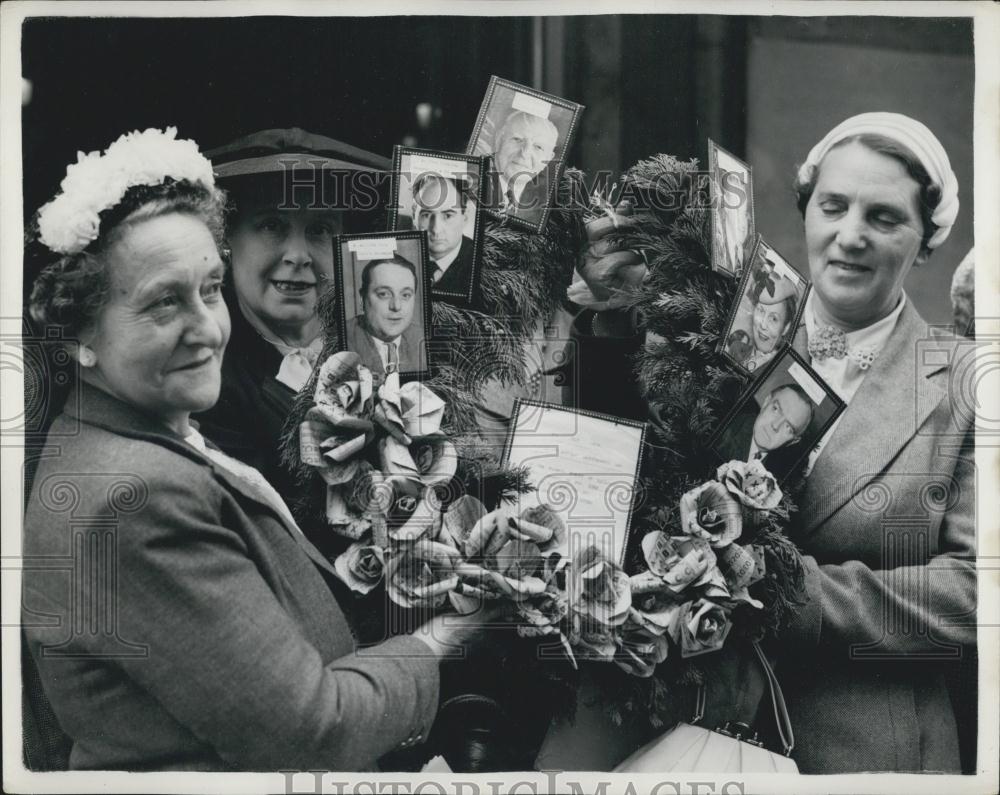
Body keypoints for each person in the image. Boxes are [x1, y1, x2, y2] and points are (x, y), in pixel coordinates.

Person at [22, 129, 493, 771]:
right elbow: (309, 732)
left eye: (210, 290)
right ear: (80, 332)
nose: (208, 329)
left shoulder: (151, 431)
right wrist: (446, 638)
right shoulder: (138, 498)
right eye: (164, 302)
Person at [573, 112, 974, 773]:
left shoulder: (961, 381)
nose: (850, 236)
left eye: (883, 218)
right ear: (808, 208)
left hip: (863, 749)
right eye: (834, 206)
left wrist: (799, 594)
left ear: (926, 239)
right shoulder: (731, 322)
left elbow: (974, 592)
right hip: (693, 733)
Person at [193, 127, 390, 506]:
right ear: (225, 240)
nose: (297, 254)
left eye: (319, 230)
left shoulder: (384, 342)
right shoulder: (211, 384)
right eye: (271, 225)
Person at [712, 382, 814, 480]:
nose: (775, 425)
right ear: (766, 402)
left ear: (793, 441)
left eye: (788, 427)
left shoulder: (782, 474)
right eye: (775, 409)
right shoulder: (719, 426)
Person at [343, 255, 423, 375]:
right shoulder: (342, 340)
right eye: (384, 294)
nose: (396, 306)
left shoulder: (424, 340)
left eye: (405, 295)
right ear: (362, 299)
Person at [491, 110, 558, 225]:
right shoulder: (471, 186)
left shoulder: (547, 210)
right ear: (499, 140)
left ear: (548, 159)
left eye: (538, 147)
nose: (525, 153)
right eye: (517, 139)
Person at [411, 172, 475, 294]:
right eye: (426, 215)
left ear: (465, 217)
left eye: (448, 215)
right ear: (414, 217)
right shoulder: (400, 255)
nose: (436, 229)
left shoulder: (480, 263)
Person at [725, 269, 798, 372]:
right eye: (761, 311)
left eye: (773, 318)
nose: (763, 325)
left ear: (786, 328)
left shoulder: (781, 372)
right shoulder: (736, 350)